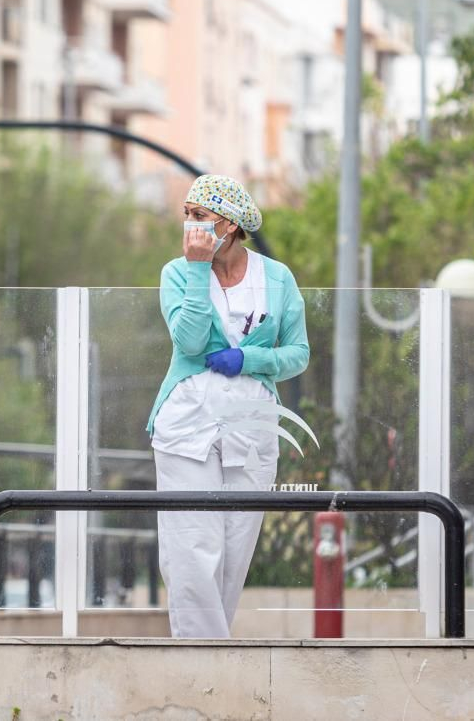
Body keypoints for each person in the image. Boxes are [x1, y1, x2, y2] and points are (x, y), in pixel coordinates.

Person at [147, 174, 310, 638]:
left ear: (231, 225)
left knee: (234, 553)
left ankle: (209, 660)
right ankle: (204, 664)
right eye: (188, 215)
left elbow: (297, 353)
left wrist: (249, 359)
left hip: (252, 428)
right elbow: (190, 340)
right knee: (191, 550)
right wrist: (199, 269)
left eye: (201, 216)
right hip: (187, 426)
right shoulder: (177, 273)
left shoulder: (277, 278)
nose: (191, 226)